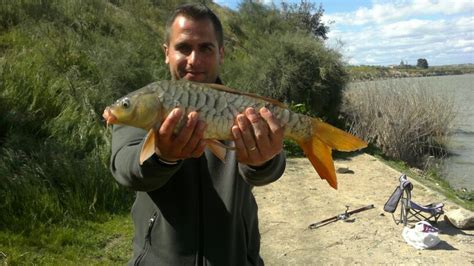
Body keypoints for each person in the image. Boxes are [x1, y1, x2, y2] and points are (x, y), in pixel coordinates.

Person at [110, 3, 286, 265]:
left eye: (206, 48)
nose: (194, 60)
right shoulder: (143, 107)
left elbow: (268, 170)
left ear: (221, 53)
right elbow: (125, 168)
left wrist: (263, 161)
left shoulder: (239, 110)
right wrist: (162, 156)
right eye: (183, 48)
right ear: (166, 53)